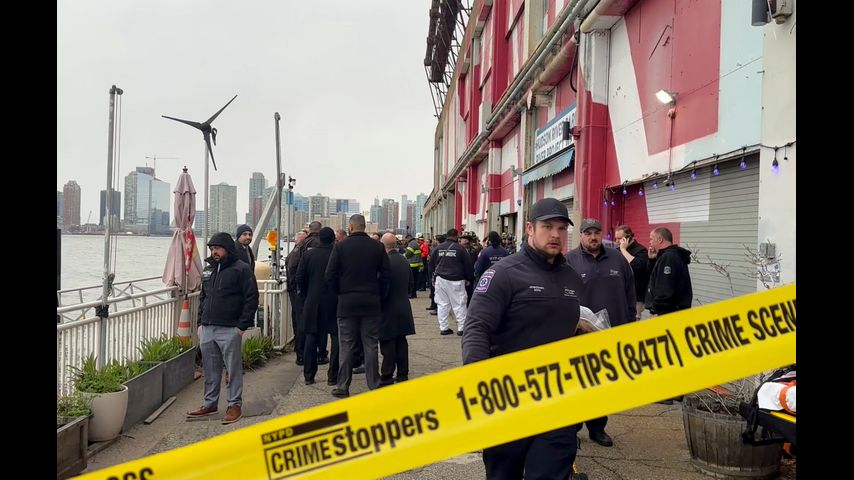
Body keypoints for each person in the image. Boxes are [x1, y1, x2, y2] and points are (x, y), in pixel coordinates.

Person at [462, 198, 585, 479]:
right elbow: (477, 328)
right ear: (530, 228)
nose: (556, 234)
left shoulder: (571, 277)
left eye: (562, 228)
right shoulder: (503, 273)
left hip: (558, 399)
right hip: (509, 398)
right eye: (547, 226)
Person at [567, 218, 636, 448]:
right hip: (579, 334)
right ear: (581, 236)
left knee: (602, 385)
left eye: (596, 232)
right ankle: (571, 429)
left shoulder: (617, 259)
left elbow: (630, 292)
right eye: (588, 233)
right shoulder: (569, 260)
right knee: (577, 384)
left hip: (610, 334)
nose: (593, 237)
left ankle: (597, 428)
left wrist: (629, 322)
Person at [187, 232, 259, 424]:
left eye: (217, 248)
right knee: (210, 369)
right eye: (212, 248)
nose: (214, 251)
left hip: (230, 328)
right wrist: (200, 323)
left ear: (227, 248)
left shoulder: (241, 269)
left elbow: (251, 298)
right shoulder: (209, 270)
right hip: (208, 328)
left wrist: (242, 326)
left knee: (233, 369)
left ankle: (234, 405)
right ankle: (210, 403)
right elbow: (204, 297)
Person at [325, 214, 391, 397]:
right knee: (371, 344)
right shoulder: (377, 247)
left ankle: (343, 386)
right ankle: (374, 383)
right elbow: (386, 275)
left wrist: (340, 292)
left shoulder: (340, 247)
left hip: (347, 303)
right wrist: (379, 295)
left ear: (351, 227)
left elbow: (329, 275)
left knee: (346, 345)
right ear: (364, 226)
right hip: (371, 302)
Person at [296, 227, 340, 386]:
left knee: (311, 337)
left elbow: (299, 277)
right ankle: (333, 376)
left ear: (319, 238)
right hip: (334, 301)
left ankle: (309, 375)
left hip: (313, 300)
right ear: (333, 239)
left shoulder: (308, 255)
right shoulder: (338, 255)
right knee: (336, 338)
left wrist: (306, 295)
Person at [378, 233, 416, 386]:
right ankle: (402, 374)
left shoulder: (384, 262)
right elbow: (411, 285)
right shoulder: (404, 260)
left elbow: (382, 286)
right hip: (403, 306)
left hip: (388, 307)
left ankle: (387, 375)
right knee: (401, 342)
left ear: (383, 245)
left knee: (388, 342)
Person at [429, 228, 473, 335]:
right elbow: (468, 265)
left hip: (440, 279)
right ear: (456, 236)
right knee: (459, 304)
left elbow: (431, 264)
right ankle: (462, 328)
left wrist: (432, 278)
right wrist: (469, 278)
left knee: (442, 304)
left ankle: (444, 328)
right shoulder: (460, 249)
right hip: (456, 280)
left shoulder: (438, 248)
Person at [646, 227, 693, 316]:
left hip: (668, 313)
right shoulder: (669, 256)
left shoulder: (669, 257)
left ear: (660, 239)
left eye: (651, 239)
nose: (650, 242)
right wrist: (652, 260)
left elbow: (665, 288)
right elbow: (655, 279)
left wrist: (658, 311)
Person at [615, 225, 650, 320]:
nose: (617, 241)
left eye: (619, 239)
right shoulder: (616, 251)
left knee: (634, 320)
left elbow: (636, 265)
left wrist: (623, 249)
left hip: (636, 296)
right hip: (620, 293)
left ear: (628, 238)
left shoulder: (641, 250)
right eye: (615, 238)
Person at [285, 231, 308, 365]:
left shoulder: (294, 253)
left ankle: (299, 348)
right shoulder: (298, 253)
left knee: (297, 320)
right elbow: (294, 271)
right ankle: (300, 350)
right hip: (297, 291)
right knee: (300, 321)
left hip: (294, 290)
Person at [403, 234, 423, 299]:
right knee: (415, 280)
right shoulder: (415, 243)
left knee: (411, 280)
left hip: (412, 264)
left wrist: (402, 255)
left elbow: (408, 254)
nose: (405, 241)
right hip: (416, 264)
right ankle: (413, 294)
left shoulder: (411, 244)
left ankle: (411, 294)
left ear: (408, 238)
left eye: (406, 239)